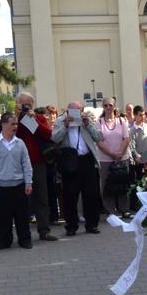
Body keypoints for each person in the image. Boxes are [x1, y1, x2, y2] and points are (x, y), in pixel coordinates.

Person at [51, 101, 104, 235]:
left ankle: (92, 224)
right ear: (67, 111)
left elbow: (99, 137)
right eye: (73, 111)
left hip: (86, 160)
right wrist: (65, 126)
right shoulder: (60, 121)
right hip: (70, 161)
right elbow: (54, 139)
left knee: (90, 194)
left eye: (79, 111)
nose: (76, 114)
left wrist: (88, 124)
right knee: (70, 196)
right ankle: (71, 226)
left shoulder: (86, 120)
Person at [0, 112, 33, 250]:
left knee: (22, 216)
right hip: (1, 187)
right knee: (3, 217)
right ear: (4, 125)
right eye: (12, 124)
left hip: (19, 185)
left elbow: (26, 164)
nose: (15, 127)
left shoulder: (20, 143)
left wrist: (28, 182)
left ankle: (25, 240)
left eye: (16, 124)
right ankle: (4, 241)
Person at [14, 92, 58, 241]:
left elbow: (47, 134)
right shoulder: (13, 119)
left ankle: (44, 230)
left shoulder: (39, 118)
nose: (26, 107)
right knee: (21, 199)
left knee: (41, 197)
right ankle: (23, 233)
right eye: (23, 104)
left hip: (38, 162)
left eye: (29, 105)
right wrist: (18, 117)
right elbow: (12, 135)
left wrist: (34, 120)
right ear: (18, 104)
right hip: (19, 163)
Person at [96, 96, 133, 217]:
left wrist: (120, 153)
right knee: (107, 185)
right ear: (103, 107)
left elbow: (126, 138)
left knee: (123, 184)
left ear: (114, 107)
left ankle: (124, 209)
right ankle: (111, 211)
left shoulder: (122, 121)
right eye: (105, 105)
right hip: (105, 159)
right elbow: (99, 141)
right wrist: (112, 154)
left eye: (110, 105)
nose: (108, 107)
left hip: (122, 158)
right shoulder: (99, 122)